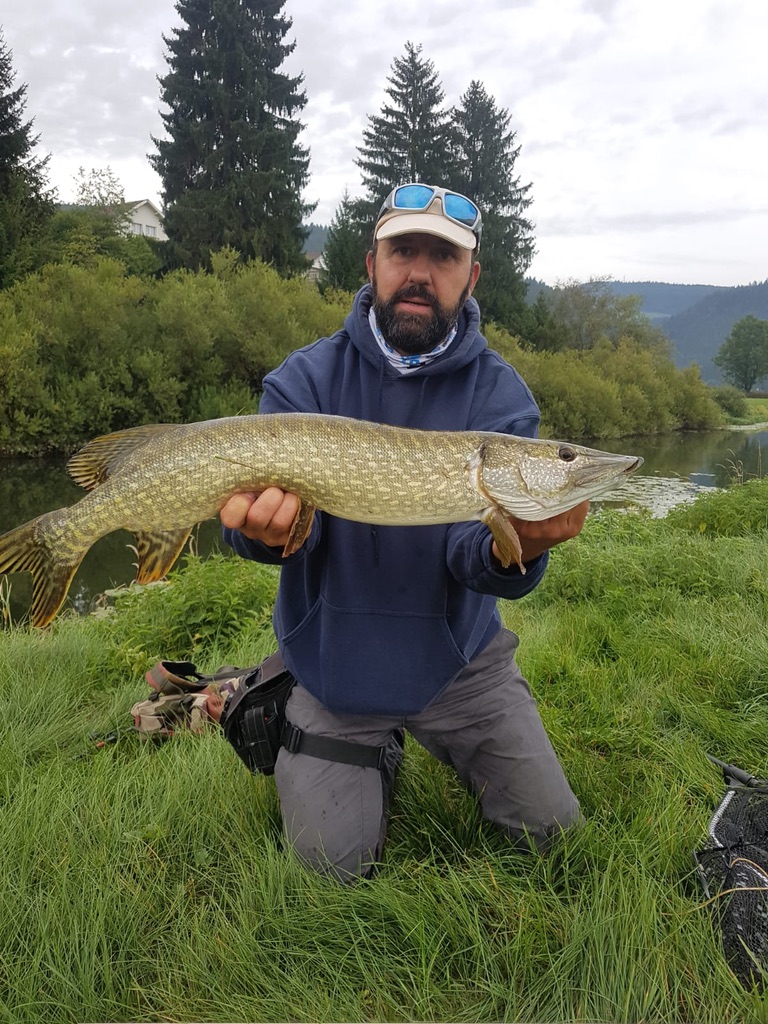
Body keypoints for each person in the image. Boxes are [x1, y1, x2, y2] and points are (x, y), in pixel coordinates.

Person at [214, 182, 588, 881]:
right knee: (332, 872)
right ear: (372, 264)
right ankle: (362, 742)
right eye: (403, 251)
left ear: (471, 276)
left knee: (555, 837)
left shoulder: (500, 396)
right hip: (336, 663)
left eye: (443, 257)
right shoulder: (304, 380)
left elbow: (473, 554)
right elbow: (256, 525)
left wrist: (517, 548)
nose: (420, 272)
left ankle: (415, 737)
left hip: (458, 661)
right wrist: (267, 534)